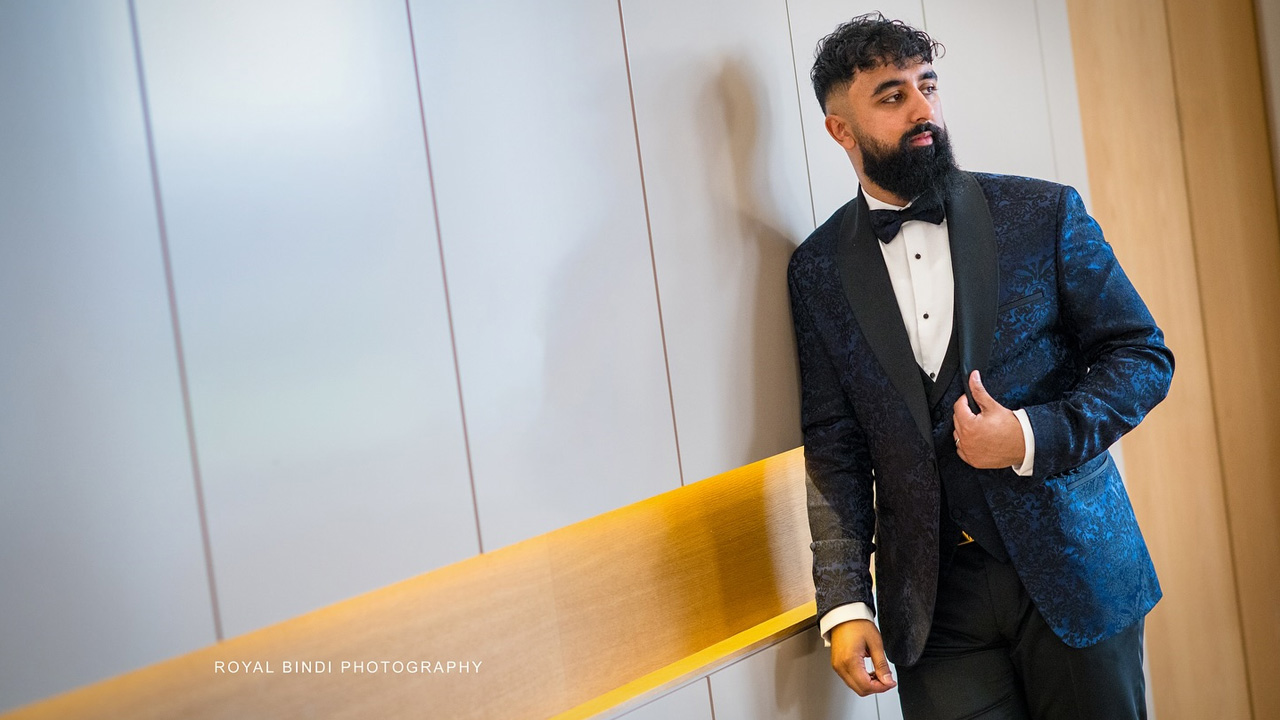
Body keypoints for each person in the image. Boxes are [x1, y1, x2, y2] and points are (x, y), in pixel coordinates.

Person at [787, 13, 1174, 720]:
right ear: (841, 130)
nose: (923, 109)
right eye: (892, 95)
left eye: (927, 85)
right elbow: (834, 447)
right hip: (935, 609)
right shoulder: (816, 272)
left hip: (1073, 572)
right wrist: (844, 603)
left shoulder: (1041, 213)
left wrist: (1030, 435)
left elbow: (1143, 356)